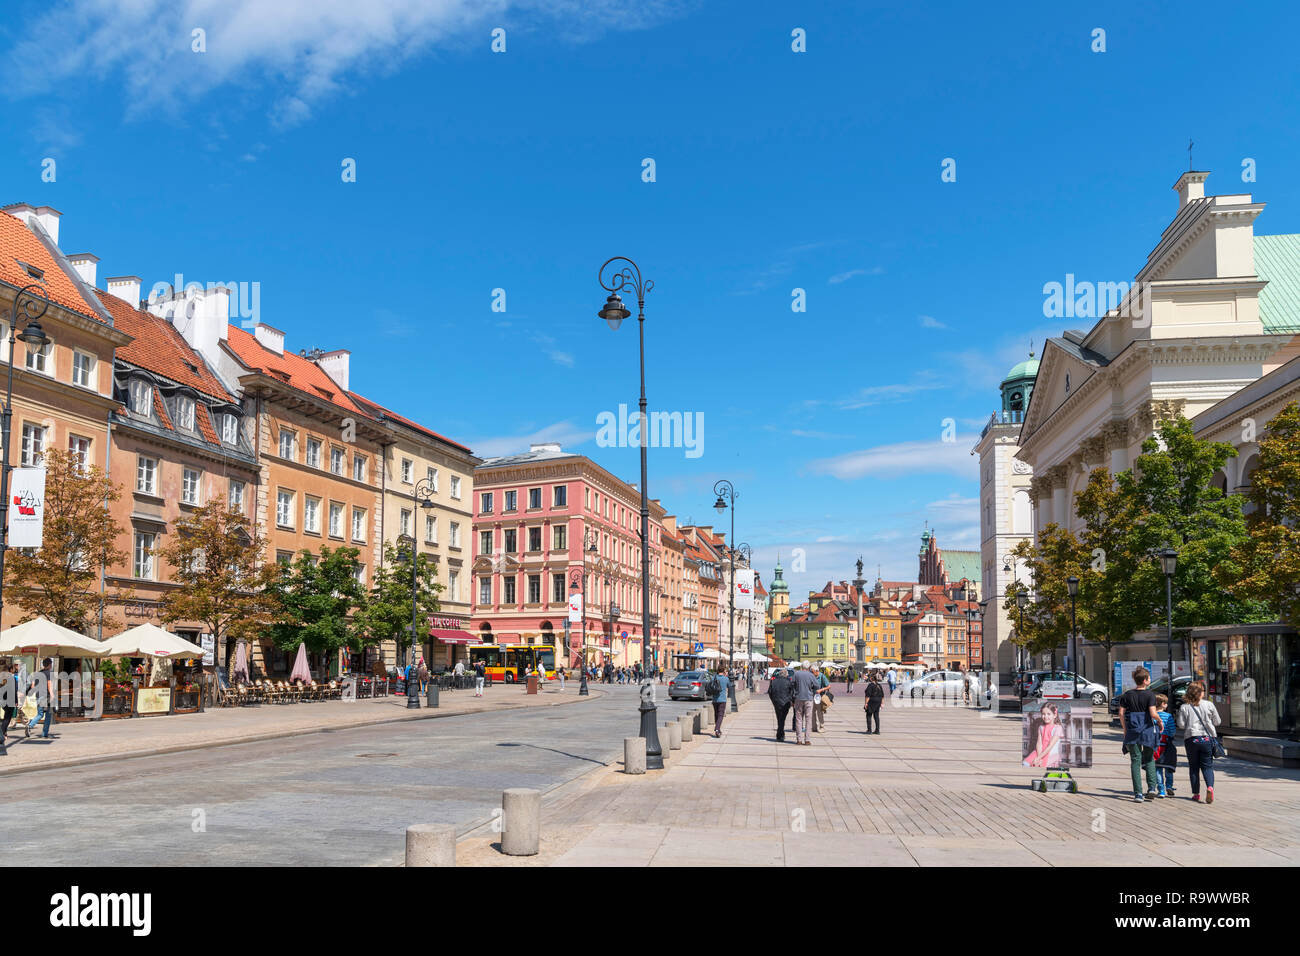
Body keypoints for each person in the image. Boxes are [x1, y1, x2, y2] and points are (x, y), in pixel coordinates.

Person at [1117, 667, 1161, 802]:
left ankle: (1138, 794)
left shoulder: (1127, 695)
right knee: (1149, 758)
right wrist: (1159, 721)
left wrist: (1125, 729)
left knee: (1135, 761)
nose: (1150, 680)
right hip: (1147, 730)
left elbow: (1120, 713)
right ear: (1145, 680)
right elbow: (1153, 713)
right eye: (1149, 678)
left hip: (1132, 730)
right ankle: (1152, 788)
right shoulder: (1150, 695)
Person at [1178, 680, 1222, 804]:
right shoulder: (1209, 705)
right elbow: (1218, 721)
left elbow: (1181, 725)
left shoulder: (1184, 707)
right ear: (1199, 692)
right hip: (1207, 739)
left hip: (1191, 739)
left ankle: (1196, 794)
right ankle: (1210, 787)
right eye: (1203, 690)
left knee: (1193, 767)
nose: (1204, 693)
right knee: (1207, 766)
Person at [1023, 701, 1063, 768]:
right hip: (1039, 752)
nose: (1045, 716)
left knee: (1042, 767)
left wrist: (1038, 758)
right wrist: (1039, 757)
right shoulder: (1041, 727)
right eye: (1043, 714)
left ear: (1054, 715)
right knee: (1025, 763)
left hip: (1050, 753)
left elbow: (1050, 746)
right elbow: (1039, 743)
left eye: (1048, 714)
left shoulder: (1058, 728)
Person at [1153, 692, 1177, 798]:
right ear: (1163, 704)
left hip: (1155, 744)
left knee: (1157, 768)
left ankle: (1161, 790)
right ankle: (1169, 786)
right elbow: (1172, 730)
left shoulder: (1152, 716)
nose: (1167, 705)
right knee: (1168, 766)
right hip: (1167, 743)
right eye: (1166, 703)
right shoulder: (1168, 716)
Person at [790, 664, 819, 745]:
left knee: (798, 719)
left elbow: (791, 684)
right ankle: (807, 740)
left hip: (798, 698)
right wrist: (812, 690)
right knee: (808, 719)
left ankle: (799, 739)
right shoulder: (811, 675)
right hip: (808, 698)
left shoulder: (796, 674)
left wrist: (795, 692)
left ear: (802, 666)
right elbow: (817, 685)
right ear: (809, 667)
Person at [27, 657, 54, 739]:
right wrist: (52, 694)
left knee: (40, 714)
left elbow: (32, 686)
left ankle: (30, 725)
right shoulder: (48, 673)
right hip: (46, 696)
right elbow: (49, 684)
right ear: (49, 665)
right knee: (49, 715)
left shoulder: (38, 673)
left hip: (38, 696)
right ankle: (45, 733)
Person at [767, 667, 794, 741]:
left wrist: (773, 700)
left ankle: (780, 734)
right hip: (786, 703)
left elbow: (770, 692)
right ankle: (780, 735)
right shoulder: (788, 681)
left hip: (776, 702)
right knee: (782, 718)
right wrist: (791, 700)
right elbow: (792, 692)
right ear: (786, 675)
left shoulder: (773, 681)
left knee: (779, 718)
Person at [709, 666, 730, 738]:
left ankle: (718, 729)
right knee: (720, 715)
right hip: (722, 699)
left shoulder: (713, 678)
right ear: (724, 671)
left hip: (715, 699)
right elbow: (729, 686)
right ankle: (717, 729)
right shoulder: (726, 678)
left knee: (716, 714)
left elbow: (710, 685)